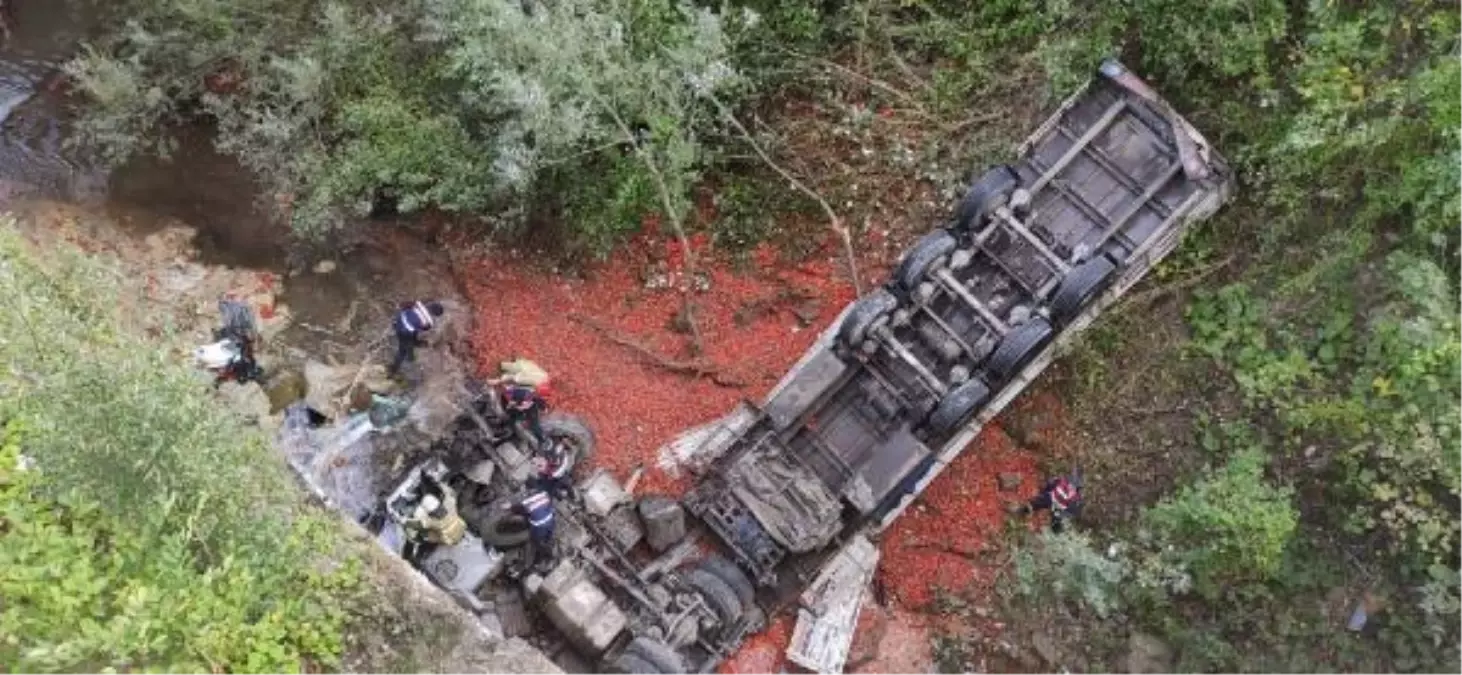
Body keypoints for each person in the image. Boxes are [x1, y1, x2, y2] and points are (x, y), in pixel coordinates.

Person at [388, 300, 445, 377]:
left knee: (411, 330)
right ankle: (392, 371)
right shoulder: (430, 322)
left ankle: (414, 342)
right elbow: (422, 328)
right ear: (435, 315)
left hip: (399, 320)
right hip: (404, 333)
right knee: (402, 352)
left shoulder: (417, 304)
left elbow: (404, 305)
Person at [1014, 474, 1084, 533]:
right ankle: (1024, 510)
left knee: (1055, 514)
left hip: (1060, 503)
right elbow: (1051, 484)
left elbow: (1075, 510)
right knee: (1040, 503)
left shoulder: (1075, 496)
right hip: (1055, 498)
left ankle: (1056, 526)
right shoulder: (1061, 483)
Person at [510, 489, 557, 572]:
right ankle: (548, 544)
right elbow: (550, 504)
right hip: (551, 521)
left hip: (539, 526)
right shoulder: (543, 494)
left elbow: (517, 508)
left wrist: (510, 507)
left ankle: (546, 556)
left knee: (536, 542)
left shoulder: (526, 503)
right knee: (548, 537)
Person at [503, 383, 549, 449]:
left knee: (534, 425)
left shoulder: (530, 394)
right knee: (511, 418)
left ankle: (542, 440)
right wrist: (516, 406)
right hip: (520, 407)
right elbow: (513, 405)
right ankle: (510, 430)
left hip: (530, 409)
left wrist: (543, 408)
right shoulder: (518, 393)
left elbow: (536, 401)